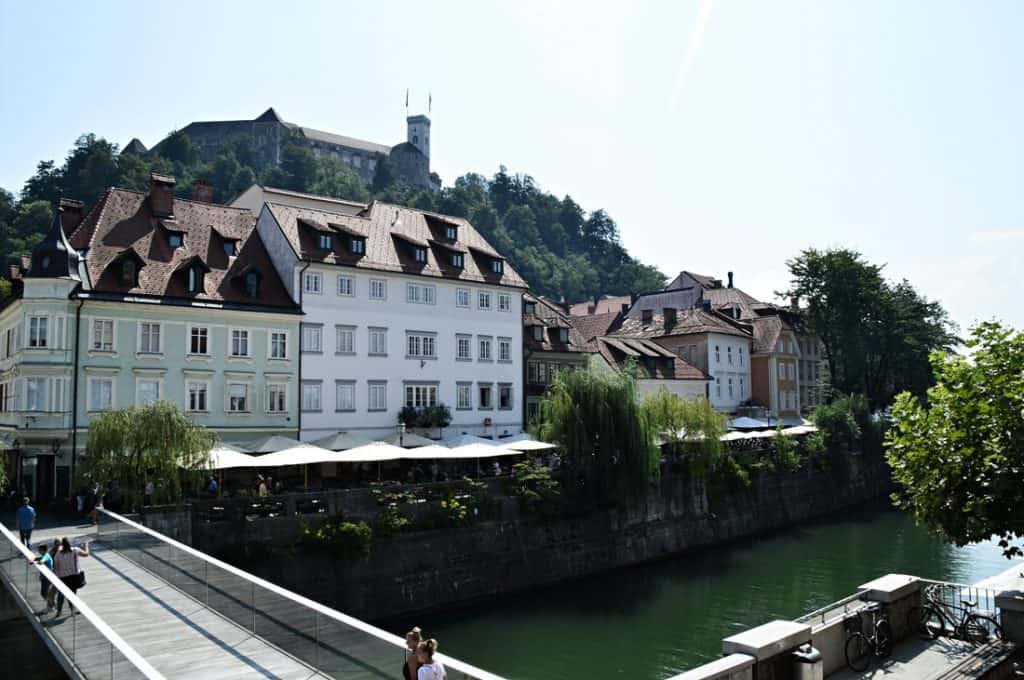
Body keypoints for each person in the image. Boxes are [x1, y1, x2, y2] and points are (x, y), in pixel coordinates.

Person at [53, 537, 89, 617]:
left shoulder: (58, 553)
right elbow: (86, 554)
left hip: (63, 577)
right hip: (74, 576)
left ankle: (59, 611)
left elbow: (56, 566)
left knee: (61, 594)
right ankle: (72, 611)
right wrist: (86, 546)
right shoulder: (75, 550)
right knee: (72, 594)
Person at [34, 543, 54, 611]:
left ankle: (51, 606)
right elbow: (38, 558)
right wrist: (34, 559)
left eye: (39, 550)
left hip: (47, 578)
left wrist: (36, 562)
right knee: (44, 593)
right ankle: (51, 606)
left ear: (43, 550)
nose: (38, 551)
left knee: (45, 593)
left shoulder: (46, 556)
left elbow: (42, 561)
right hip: (44, 577)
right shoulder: (44, 555)